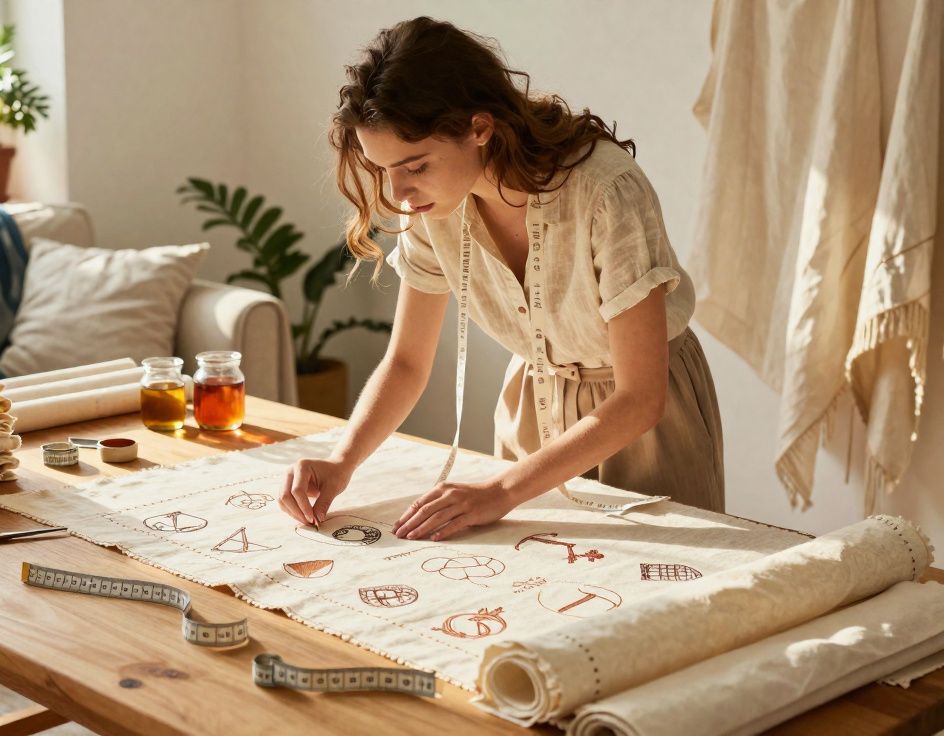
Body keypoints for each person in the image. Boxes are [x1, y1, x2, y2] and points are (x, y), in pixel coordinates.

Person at [278, 16, 723, 541]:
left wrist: (502, 490)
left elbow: (640, 398)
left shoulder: (605, 192)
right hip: (531, 415)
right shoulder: (431, 207)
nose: (398, 194)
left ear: (480, 128)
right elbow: (406, 362)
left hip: (646, 426)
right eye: (383, 170)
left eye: (415, 167)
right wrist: (342, 461)